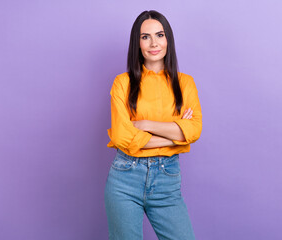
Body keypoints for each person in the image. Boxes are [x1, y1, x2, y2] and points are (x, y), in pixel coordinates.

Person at [104, 10, 202, 240]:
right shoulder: (123, 83)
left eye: (160, 35)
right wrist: (176, 135)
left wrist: (144, 123)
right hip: (125, 177)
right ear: (137, 43)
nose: (154, 43)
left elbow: (195, 129)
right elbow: (121, 136)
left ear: (168, 39)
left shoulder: (185, 83)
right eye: (145, 37)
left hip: (167, 179)